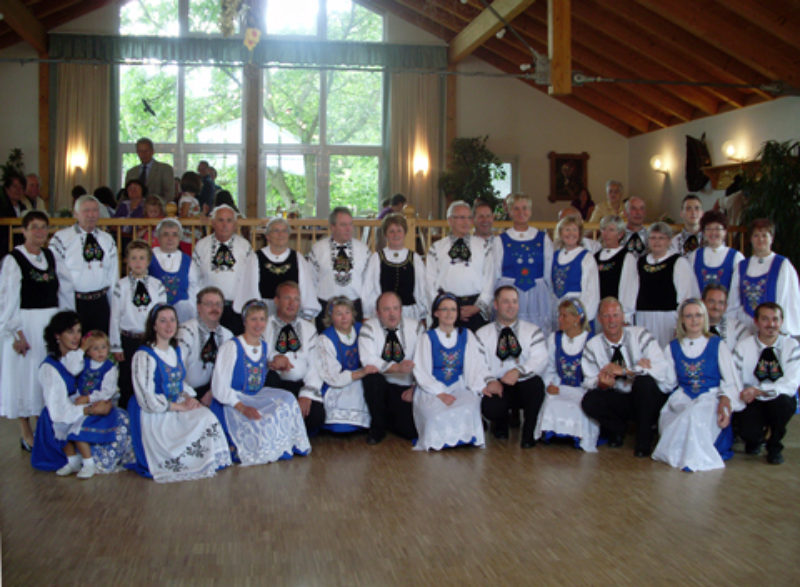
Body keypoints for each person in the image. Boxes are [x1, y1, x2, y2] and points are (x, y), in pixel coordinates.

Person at [127, 304, 232, 482]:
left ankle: (206, 459)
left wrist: (189, 398)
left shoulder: (174, 350)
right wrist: (178, 407)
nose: (169, 326)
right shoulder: (144, 355)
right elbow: (146, 398)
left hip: (176, 403)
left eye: (172, 320)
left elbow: (178, 381)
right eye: (163, 321)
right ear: (153, 326)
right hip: (154, 412)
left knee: (206, 416)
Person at [31, 311, 132, 479]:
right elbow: (58, 411)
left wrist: (101, 403)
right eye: (70, 332)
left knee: (122, 419)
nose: (76, 336)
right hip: (63, 416)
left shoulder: (77, 359)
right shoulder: (49, 368)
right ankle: (78, 460)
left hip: (83, 406)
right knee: (78, 433)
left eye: (78, 331)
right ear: (57, 336)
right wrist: (90, 410)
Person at [209, 299, 311, 465]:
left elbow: (270, 357)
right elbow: (219, 388)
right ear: (245, 321)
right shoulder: (231, 347)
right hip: (231, 403)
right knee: (257, 429)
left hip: (254, 396)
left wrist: (279, 360)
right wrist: (242, 407)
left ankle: (288, 443)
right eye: (253, 319)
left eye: (262, 319)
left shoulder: (263, 345)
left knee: (288, 399)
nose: (258, 324)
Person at [0, 211, 70, 451]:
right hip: (25, 325)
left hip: (49, 324)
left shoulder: (50, 256)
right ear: (24, 231)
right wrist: (15, 332)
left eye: (44, 227)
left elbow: (62, 290)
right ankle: (25, 432)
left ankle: (43, 430)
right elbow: (7, 299)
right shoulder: (14, 260)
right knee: (25, 378)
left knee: (45, 378)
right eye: (35, 227)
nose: (40, 232)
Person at [652, 299, 742, 472]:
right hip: (684, 394)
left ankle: (693, 458)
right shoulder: (673, 347)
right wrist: (652, 368)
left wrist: (725, 400)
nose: (694, 320)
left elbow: (730, 379)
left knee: (695, 414)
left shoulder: (717, 344)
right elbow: (668, 382)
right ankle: (680, 455)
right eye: (689, 316)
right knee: (675, 414)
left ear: (704, 318)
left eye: (698, 315)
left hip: (710, 396)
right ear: (682, 320)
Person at [581, 297, 669, 457]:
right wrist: (602, 383)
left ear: (623, 317)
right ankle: (618, 430)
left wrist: (626, 371)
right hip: (620, 398)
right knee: (590, 400)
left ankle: (644, 440)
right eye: (606, 316)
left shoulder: (640, 335)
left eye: (615, 315)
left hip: (645, 399)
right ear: (599, 319)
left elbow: (661, 368)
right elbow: (588, 380)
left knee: (645, 382)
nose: (611, 320)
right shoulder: (592, 346)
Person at [412, 293, 486, 451]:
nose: (449, 313)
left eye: (453, 309)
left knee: (469, 407)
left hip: (458, 386)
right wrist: (439, 392)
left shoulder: (466, 335)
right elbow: (421, 370)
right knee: (434, 415)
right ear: (436, 313)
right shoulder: (427, 337)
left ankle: (465, 438)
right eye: (444, 309)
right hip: (431, 389)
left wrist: (476, 387)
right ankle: (437, 441)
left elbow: (474, 366)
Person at [476, 286, 547, 448]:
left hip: (523, 381)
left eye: (514, 301)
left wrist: (518, 371)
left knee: (536, 386)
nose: (511, 306)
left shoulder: (533, 331)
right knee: (490, 407)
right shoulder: (482, 334)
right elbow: (478, 364)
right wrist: (489, 381)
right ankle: (500, 424)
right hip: (498, 383)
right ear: (496, 305)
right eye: (505, 301)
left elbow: (540, 358)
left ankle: (529, 434)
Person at [733, 302, 800, 465]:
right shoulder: (744, 346)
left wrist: (760, 390)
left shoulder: (792, 346)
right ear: (756, 322)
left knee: (784, 404)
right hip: (751, 399)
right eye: (765, 319)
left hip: (777, 398)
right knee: (748, 431)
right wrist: (743, 393)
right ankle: (756, 438)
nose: (771, 324)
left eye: (775, 319)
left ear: (781, 321)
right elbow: (734, 376)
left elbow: (791, 382)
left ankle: (774, 445)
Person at [620, 222, 697, 348]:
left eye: (661, 238)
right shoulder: (640, 262)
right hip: (643, 317)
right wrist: (627, 317)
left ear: (668, 240)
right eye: (653, 238)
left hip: (668, 319)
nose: (657, 242)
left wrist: (682, 322)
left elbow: (686, 295)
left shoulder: (678, 262)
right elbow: (630, 292)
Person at [359, 291, 422, 444]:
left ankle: (390, 418)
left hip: (406, 387)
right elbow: (368, 359)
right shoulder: (368, 327)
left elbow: (424, 359)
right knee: (371, 377)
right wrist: (396, 368)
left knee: (410, 431)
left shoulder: (416, 327)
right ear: (378, 312)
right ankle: (378, 427)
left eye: (395, 308)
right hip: (383, 385)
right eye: (386, 309)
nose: (392, 314)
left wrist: (416, 387)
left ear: (401, 310)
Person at [110, 240, 167, 409]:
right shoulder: (121, 286)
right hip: (128, 339)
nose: (138, 262)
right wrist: (116, 346)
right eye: (133, 258)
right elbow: (114, 317)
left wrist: (161, 340)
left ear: (148, 261)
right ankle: (126, 414)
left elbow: (162, 314)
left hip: (149, 340)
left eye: (142, 258)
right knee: (127, 379)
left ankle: (149, 411)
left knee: (148, 377)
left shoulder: (157, 286)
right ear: (127, 261)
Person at [263, 281, 326, 433]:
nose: (292, 303)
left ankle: (287, 430)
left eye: (296, 299)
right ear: (276, 301)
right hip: (275, 385)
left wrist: (306, 395)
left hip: (299, 385)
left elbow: (315, 365)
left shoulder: (309, 328)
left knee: (316, 416)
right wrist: (272, 361)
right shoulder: (264, 325)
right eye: (287, 298)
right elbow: (255, 355)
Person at [51, 195, 118, 334]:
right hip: (74, 302)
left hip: (101, 303)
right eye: (86, 210)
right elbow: (56, 274)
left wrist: (114, 306)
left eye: (94, 210)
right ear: (75, 213)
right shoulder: (61, 239)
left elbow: (113, 275)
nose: (91, 215)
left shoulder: (107, 239)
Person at [537, 299, 599, 451]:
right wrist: (551, 384)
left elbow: (594, 373)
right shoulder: (555, 338)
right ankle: (550, 433)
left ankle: (577, 435)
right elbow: (549, 366)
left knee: (577, 406)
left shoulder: (591, 341)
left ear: (577, 319)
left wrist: (586, 387)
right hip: (560, 385)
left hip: (582, 388)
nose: (560, 319)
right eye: (559, 315)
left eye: (564, 316)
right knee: (551, 402)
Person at [425, 201, 495, 332]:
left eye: (469, 217)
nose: (466, 222)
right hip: (446, 308)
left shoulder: (484, 246)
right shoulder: (437, 248)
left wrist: (478, 306)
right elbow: (430, 282)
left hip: (475, 309)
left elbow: (490, 280)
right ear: (450, 220)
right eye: (461, 218)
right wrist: (444, 308)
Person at [234, 217, 319, 322]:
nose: (280, 234)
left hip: (291, 312)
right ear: (268, 236)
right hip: (265, 313)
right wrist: (257, 314)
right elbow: (250, 288)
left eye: (284, 231)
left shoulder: (297, 258)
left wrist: (305, 312)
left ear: (288, 235)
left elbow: (306, 288)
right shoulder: (255, 258)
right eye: (276, 231)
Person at [492, 193, 554, 334]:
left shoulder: (543, 239)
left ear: (530, 211)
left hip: (537, 295)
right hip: (510, 294)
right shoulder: (501, 240)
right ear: (510, 211)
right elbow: (495, 273)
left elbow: (548, 272)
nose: (521, 212)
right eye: (516, 209)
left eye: (525, 208)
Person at [192, 204, 253, 335]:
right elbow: (194, 278)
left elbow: (251, 278)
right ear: (213, 223)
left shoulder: (244, 246)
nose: (225, 225)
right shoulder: (201, 245)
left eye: (229, 220)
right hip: (208, 309)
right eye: (220, 220)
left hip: (236, 308)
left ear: (235, 224)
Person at [308, 207, 370, 332]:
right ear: (332, 227)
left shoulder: (363, 250)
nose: (349, 229)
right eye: (343, 225)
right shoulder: (318, 249)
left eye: (350, 224)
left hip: (355, 307)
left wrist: (368, 312)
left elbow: (369, 283)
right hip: (326, 308)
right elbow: (311, 281)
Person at [316, 297, 373, 432]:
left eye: (347, 312)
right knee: (340, 425)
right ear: (331, 317)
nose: (344, 317)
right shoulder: (326, 338)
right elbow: (332, 376)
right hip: (338, 382)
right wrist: (361, 373)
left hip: (360, 378)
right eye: (338, 313)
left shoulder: (361, 330)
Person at [737, 218, 800, 337]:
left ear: (772, 238)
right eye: (756, 235)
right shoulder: (741, 266)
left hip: (774, 329)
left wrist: (779, 328)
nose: (760, 239)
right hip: (747, 329)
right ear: (750, 239)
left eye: (764, 235)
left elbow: (786, 299)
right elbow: (735, 301)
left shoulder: (782, 264)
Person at [362, 213, 427, 321]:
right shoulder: (377, 258)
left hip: (409, 313)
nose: (395, 234)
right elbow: (368, 288)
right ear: (385, 234)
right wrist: (367, 314)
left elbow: (422, 289)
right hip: (385, 313)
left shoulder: (414, 258)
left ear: (405, 232)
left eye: (399, 231)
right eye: (391, 231)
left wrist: (423, 315)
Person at [177, 286, 233, 406]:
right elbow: (176, 368)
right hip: (185, 393)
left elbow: (228, 371)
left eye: (218, 304)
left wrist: (213, 392)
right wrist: (189, 396)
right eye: (209, 304)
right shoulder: (186, 332)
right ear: (198, 307)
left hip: (214, 392)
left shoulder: (227, 335)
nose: (215, 308)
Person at [688, 210, 743, 316]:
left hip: (726, 314)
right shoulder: (694, 256)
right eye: (709, 229)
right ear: (703, 232)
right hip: (700, 314)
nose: (713, 233)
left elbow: (737, 292)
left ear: (725, 232)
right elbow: (691, 288)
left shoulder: (736, 257)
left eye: (718, 229)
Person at [551, 215, 599, 330]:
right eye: (567, 230)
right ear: (560, 233)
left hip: (577, 312)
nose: (570, 233)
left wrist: (581, 315)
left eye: (574, 230)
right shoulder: (555, 256)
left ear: (580, 233)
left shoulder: (586, 257)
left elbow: (592, 291)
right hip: (559, 311)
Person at [149, 218, 199, 323]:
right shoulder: (149, 257)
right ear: (158, 236)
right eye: (166, 234)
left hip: (182, 315)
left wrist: (191, 309)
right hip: (156, 313)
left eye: (174, 235)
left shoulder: (187, 260)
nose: (170, 238)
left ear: (179, 238)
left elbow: (194, 287)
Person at [594, 215, 637, 324]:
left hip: (616, 316)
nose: (606, 234)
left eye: (611, 230)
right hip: (599, 314)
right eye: (604, 229)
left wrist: (625, 316)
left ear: (620, 234)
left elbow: (630, 289)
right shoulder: (595, 257)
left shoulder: (626, 257)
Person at [702, 284, 749, 350]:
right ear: (702, 303)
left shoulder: (737, 328)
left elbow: (747, 352)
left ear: (725, 306)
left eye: (721, 303)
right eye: (711, 301)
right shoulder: (691, 326)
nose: (716, 307)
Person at [0, 173, 28, 259]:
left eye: (21, 187)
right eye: (15, 187)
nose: (18, 190)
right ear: (7, 189)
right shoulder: (2, 208)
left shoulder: (24, 208)